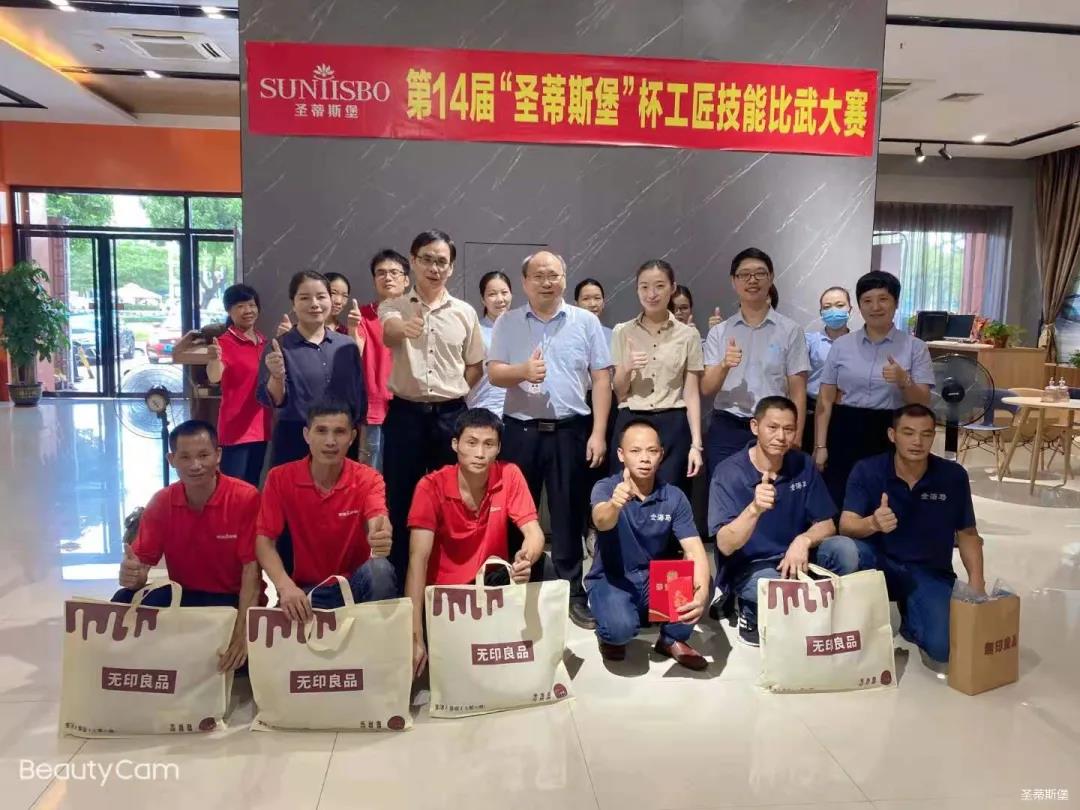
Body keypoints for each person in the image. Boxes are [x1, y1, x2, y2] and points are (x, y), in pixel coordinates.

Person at [488, 251, 613, 628]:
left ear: (564, 278)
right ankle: (514, 587)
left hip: (570, 430)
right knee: (515, 513)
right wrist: (523, 371)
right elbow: (494, 374)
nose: (547, 282)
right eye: (539, 275)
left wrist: (598, 432)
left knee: (568, 512)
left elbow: (602, 379)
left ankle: (572, 589)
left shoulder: (585, 321)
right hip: (520, 431)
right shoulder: (508, 322)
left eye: (554, 275)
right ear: (525, 282)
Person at [405, 408, 557, 676]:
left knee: (545, 566)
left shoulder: (509, 474)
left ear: (499, 448)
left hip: (490, 584)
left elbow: (534, 534)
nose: (479, 453)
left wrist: (526, 557)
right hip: (445, 597)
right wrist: (414, 636)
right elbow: (418, 561)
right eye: (471, 443)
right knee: (456, 669)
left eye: (489, 444)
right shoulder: (430, 487)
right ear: (455, 444)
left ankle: (539, 648)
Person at [709, 396, 871, 646]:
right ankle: (748, 608)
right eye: (772, 427)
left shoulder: (802, 463)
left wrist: (803, 540)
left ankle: (808, 607)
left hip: (797, 558)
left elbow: (828, 524)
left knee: (846, 550)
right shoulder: (729, 472)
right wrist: (754, 509)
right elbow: (725, 545)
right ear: (755, 427)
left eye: (789, 429)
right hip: (751, 566)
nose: (781, 437)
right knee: (769, 586)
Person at [379, 230, 486, 590]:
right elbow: (389, 332)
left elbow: (475, 366)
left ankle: (448, 577)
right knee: (401, 497)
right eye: (426, 259)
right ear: (413, 261)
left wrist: (452, 393)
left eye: (442, 261)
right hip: (405, 415)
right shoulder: (394, 306)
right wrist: (406, 328)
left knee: (452, 496)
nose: (434, 268)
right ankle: (400, 580)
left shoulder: (465, 313)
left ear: (451, 267)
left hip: (451, 415)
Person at [840, 404, 985, 664]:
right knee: (839, 549)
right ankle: (848, 617)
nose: (917, 441)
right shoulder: (868, 470)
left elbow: (967, 533)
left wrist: (977, 583)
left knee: (943, 649)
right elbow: (846, 525)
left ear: (933, 436)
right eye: (908, 433)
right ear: (892, 435)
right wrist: (872, 523)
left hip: (928, 571)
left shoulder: (952, 476)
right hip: (879, 566)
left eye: (926, 434)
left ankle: (912, 615)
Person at [115, 420, 260, 673]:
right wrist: (132, 575)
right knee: (122, 601)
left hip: (230, 600)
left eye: (203, 455)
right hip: (183, 594)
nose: (195, 465)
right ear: (171, 460)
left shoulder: (245, 498)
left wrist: (242, 633)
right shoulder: (162, 502)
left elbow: (252, 572)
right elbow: (140, 571)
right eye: (185, 457)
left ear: (218, 455)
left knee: (231, 661)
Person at [254, 400, 396, 621]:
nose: (330, 441)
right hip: (306, 589)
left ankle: (378, 638)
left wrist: (381, 534)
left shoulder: (368, 478)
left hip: (354, 586)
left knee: (380, 570)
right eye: (321, 431)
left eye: (339, 432)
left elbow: (378, 518)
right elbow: (264, 541)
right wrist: (284, 586)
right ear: (306, 435)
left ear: (352, 437)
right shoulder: (280, 478)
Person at [588, 419, 710, 669]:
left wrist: (702, 594)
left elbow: (694, 549)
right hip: (613, 578)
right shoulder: (607, 487)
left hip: (655, 578)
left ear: (661, 454)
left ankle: (671, 639)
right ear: (621, 454)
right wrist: (614, 505)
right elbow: (601, 520)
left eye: (652, 451)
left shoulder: (674, 496)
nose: (644, 458)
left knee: (701, 579)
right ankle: (611, 631)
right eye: (635, 451)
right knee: (620, 629)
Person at [813, 270, 933, 507]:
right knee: (841, 499)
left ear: (896, 303)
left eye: (883, 299)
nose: (875, 307)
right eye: (867, 300)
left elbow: (923, 402)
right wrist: (821, 446)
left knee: (886, 502)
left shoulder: (915, 347)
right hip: (845, 428)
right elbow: (825, 400)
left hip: (891, 431)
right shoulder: (842, 346)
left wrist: (904, 380)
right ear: (859, 306)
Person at [702, 248, 809, 478]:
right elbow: (707, 388)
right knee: (724, 489)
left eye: (760, 273)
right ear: (733, 281)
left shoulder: (790, 331)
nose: (752, 280)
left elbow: (798, 390)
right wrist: (724, 365)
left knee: (772, 491)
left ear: (771, 278)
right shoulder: (719, 332)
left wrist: (797, 435)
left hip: (774, 425)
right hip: (728, 426)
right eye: (744, 274)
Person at [610, 259, 704, 492]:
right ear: (637, 289)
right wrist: (627, 367)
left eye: (659, 286)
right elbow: (619, 390)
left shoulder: (688, 335)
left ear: (672, 288)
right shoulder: (622, 331)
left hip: (672, 423)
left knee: (671, 494)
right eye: (644, 287)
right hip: (631, 420)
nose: (651, 294)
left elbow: (691, 393)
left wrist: (696, 445)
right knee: (627, 495)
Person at [257, 270, 366, 467]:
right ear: (293, 303)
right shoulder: (279, 346)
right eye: (305, 298)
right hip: (295, 437)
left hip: (341, 436)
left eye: (321, 297)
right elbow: (273, 400)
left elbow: (358, 395)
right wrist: (277, 376)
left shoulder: (347, 345)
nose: (314, 304)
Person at [204, 284, 271, 486]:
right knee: (232, 487)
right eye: (240, 306)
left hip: (261, 426)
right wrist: (214, 359)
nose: (247, 310)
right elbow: (214, 376)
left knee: (252, 484)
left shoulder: (264, 341)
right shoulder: (224, 343)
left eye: (251, 305)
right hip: (235, 428)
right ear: (229, 310)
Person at [359, 249, 410, 471]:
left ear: (406, 280)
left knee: (408, 474)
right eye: (380, 273)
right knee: (371, 475)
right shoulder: (362, 316)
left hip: (411, 408)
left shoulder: (419, 314)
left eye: (394, 272)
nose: (387, 277)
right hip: (375, 409)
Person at [801, 286, 852, 453]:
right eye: (827, 307)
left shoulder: (858, 343)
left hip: (845, 412)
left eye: (840, 305)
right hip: (813, 410)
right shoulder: (809, 341)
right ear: (821, 312)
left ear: (850, 309)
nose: (833, 311)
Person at [466, 271, 512, 417]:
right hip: (482, 409)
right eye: (492, 294)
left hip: (515, 414)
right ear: (483, 299)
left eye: (504, 292)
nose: (500, 299)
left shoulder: (522, 329)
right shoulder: (476, 331)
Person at [574, 277, 613, 345]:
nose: (593, 304)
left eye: (597, 298)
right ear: (576, 304)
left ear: (603, 303)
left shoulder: (612, 335)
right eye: (586, 299)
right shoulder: (568, 334)